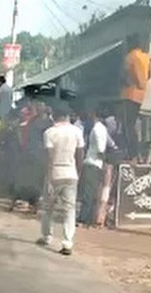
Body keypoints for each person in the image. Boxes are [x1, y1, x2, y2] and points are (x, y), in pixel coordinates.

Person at [38, 105, 85, 256]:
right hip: (71, 173)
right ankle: (67, 243)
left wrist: (49, 177)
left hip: (55, 173)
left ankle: (47, 236)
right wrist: (78, 172)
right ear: (68, 116)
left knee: (48, 207)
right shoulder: (77, 132)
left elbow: (49, 157)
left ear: (53, 115)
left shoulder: (50, 133)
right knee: (69, 210)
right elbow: (80, 154)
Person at [78, 107, 115, 226]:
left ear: (93, 114)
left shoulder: (97, 129)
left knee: (88, 193)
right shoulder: (102, 129)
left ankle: (83, 219)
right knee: (93, 193)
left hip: (92, 163)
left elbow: (100, 149)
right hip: (96, 164)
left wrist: (104, 161)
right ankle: (89, 219)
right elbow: (112, 145)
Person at [121, 35, 150, 162]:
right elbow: (149, 75)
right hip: (146, 95)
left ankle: (132, 154)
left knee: (128, 125)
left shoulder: (129, 57)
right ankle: (143, 152)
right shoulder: (147, 57)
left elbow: (124, 76)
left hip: (131, 95)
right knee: (145, 126)